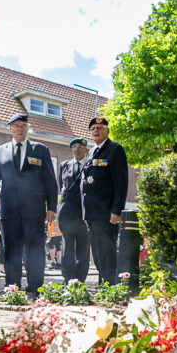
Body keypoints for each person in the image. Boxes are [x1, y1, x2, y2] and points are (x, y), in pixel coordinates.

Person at [0, 114, 57, 296]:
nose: (20, 129)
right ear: (10, 128)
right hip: (9, 209)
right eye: (16, 125)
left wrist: (51, 207)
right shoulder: (0, 151)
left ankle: (35, 286)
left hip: (34, 209)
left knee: (34, 248)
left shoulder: (41, 150)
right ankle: (12, 286)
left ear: (28, 128)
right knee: (11, 248)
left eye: (23, 125)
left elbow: (50, 181)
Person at [81, 117, 128, 285]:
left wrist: (116, 210)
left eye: (100, 128)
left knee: (107, 252)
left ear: (107, 131)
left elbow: (121, 183)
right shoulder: (91, 152)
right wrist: (85, 212)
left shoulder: (115, 149)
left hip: (107, 212)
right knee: (98, 252)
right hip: (92, 213)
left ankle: (110, 287)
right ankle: (104, 285)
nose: (96, 131)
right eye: (93, 128)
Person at [57, 137, 90, 283]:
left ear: (86, 149)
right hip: (66, 212)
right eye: (74, 147)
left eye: (80, 146)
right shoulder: (64, 165)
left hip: (83, 213)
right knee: (67, 248)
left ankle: (80, 280)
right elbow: (62, 187)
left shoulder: (90, 165)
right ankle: (68, 278)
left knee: (83, 249)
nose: (76, 149)